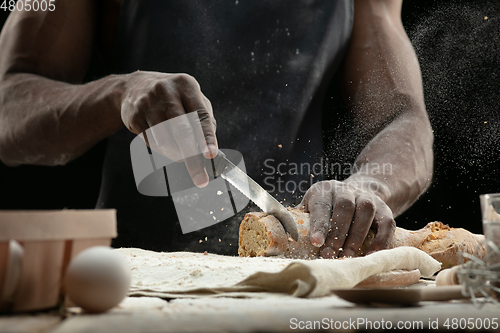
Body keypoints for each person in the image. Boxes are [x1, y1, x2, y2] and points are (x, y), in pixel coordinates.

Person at [0, 0, 433, 258]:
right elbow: (9, 108)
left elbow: (404, 119)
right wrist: (119, 92)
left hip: (303, 273)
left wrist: (367, 191)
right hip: (133, 280)